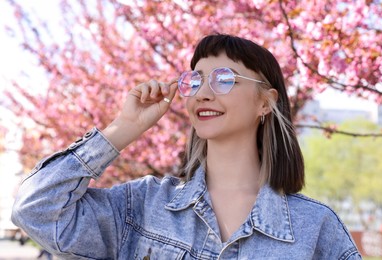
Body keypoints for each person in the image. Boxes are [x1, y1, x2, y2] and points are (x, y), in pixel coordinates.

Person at [11, 34, 361, 259]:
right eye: (195, 79)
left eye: (225, 79)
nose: (203, 92)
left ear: (265, 103)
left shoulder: (314, 227)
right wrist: (124, 129)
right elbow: (36, 211)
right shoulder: (143, 206)